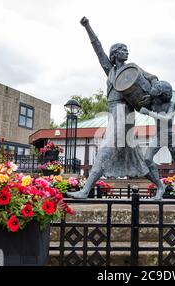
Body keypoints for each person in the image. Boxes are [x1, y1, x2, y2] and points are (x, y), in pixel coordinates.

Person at [68, 17, 160, 198]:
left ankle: (85, 191)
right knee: (137, 159)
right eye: (123, 50)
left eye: (127, 50)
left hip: (124, 113)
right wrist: (88, 26)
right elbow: (98, 48)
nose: (127, 52)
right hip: (113, 113)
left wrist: (152, 93)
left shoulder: (132, 69)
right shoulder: (110, 70)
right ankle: (161, 186)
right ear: (115, 54)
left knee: (105, 149)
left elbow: (153, 78)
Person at [140, 81, 175, 200]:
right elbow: (139, 105)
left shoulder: (171, 104)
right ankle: (160, 186)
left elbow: (168, 119)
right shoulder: (153, 102)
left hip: (169, 137)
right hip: (158, 136)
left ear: (162, 94)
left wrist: (149, 113)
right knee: (147, 159)